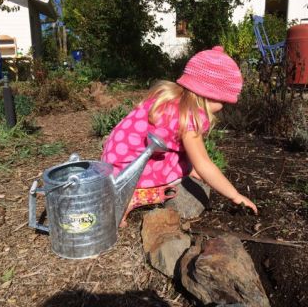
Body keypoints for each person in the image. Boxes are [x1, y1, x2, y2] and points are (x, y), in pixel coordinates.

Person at [101, 46, 258, 227]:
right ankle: (128, 198)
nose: (223, 106)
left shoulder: (171, 97)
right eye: (223, 101)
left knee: (184, 165)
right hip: (127, 170)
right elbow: (204, 164)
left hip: (117, 159)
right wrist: (235, 196)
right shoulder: (190, 117)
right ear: (208, 94)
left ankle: (123, 191)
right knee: (177, 175)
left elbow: (172, 143)